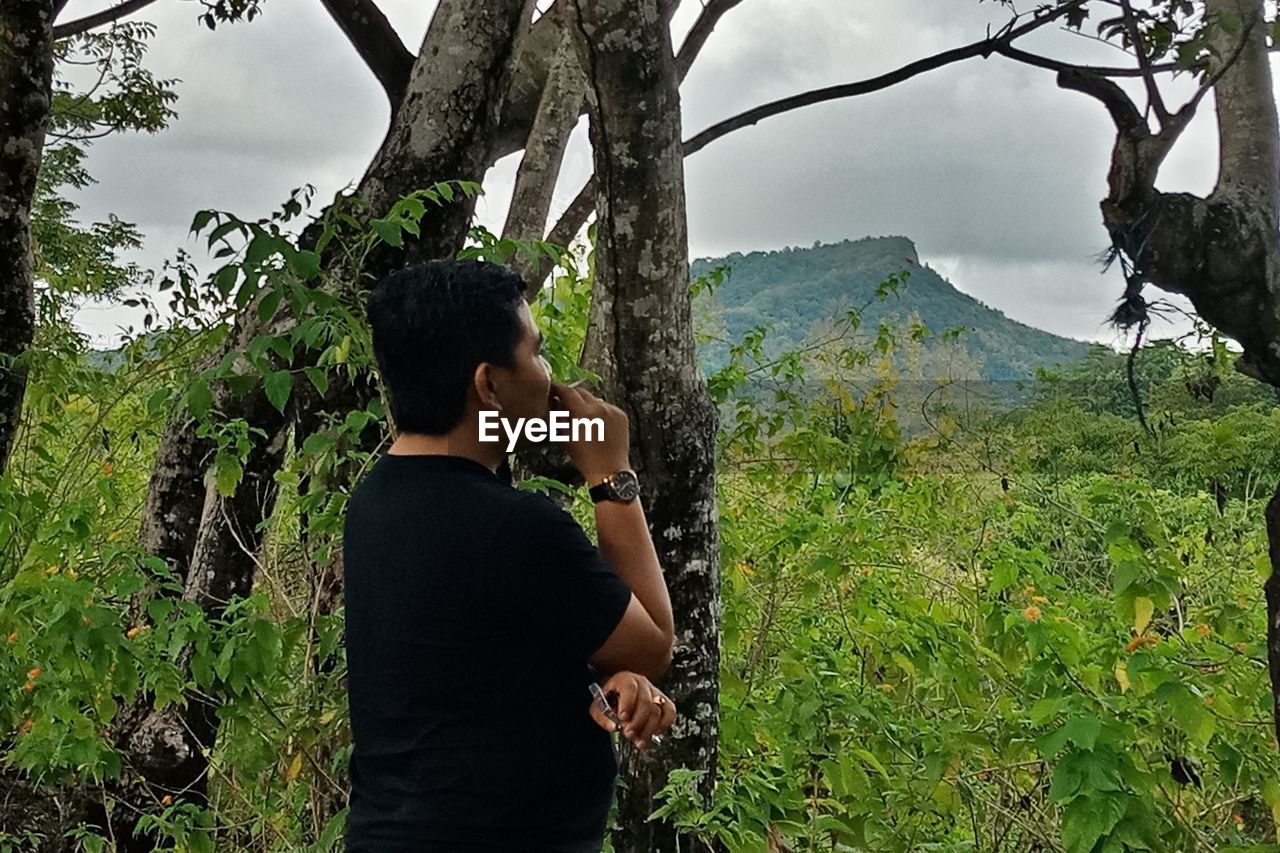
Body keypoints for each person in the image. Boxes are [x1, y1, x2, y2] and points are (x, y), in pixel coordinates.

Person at [343, 259, 678, 852]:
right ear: (489, 384)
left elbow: (477, 668)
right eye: (536, 353)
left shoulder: (375, 500)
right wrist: (611, 475)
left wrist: (601, 676)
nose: (550, 380)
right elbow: (653, 643)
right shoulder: (516, 527)